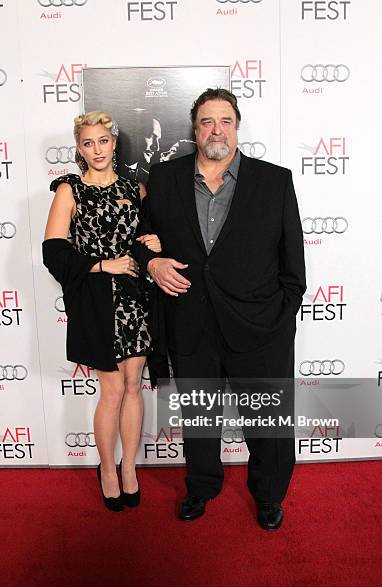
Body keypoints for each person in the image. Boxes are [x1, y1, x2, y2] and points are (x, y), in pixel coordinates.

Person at [135, 88, 306, 530]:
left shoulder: (274, 181)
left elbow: (293, 261)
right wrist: (151, 262)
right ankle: (202, 486)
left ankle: (269, 495)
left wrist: (282, 314)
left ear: (237, 127)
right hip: (190, 321)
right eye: (207, 121)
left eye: (225, 121)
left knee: (268, 421)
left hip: (260, 326)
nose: (217, 130)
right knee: (199, 417)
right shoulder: (166, 178)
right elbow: (142, 236)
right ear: (195, 130)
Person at [42, 111, 162, 512]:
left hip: (136, 300)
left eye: (103, 141)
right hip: (96, 302)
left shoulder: (136, 188)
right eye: (87, 143)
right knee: (111, 391)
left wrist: (154, 244)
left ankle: (130, 467)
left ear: (114, 143)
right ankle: (107, 469)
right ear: (79, 148)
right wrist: (101, 265)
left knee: (133, 386)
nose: (96, 150)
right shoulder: (69, 190)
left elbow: (147, 241)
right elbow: (54, 252)